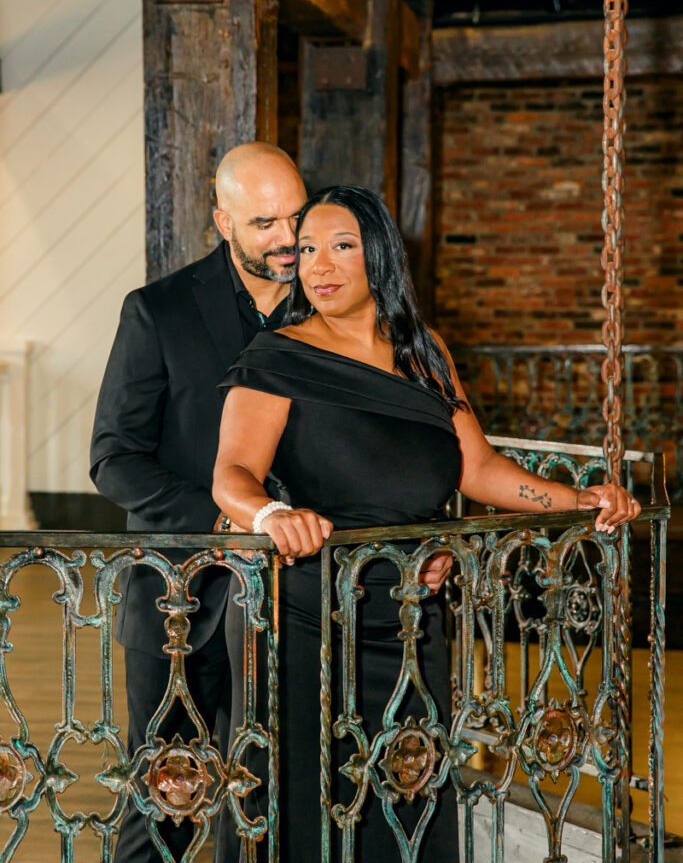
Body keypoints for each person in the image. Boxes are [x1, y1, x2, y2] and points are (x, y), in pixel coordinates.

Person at [211, 184, 641, 862]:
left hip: (411, 615)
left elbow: (478, 469)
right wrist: (272, 513)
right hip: (301, 615)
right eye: (307, 250)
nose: (319, 266)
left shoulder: (423, 353)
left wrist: (576, 501)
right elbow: (231, 475)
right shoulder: (278, 356)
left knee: (408, 797)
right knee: (301, 806)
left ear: (378, 254)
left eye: (342, 247)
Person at [90, 142, 307, 863]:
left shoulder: (334, 305)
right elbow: (113, 459)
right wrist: (228, 520)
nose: (286, 240)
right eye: (264, 223)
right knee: (162, 814)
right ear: (222, 220)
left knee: (275, 804)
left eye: (296, 219)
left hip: (295, 602)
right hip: (174, 600)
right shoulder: (157, 311)